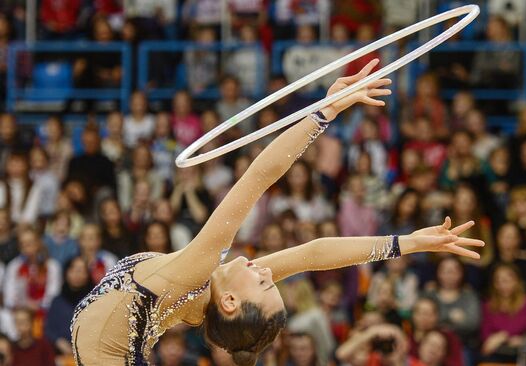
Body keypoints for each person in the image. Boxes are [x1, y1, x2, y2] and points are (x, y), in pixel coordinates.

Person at [71, 60, 485, 366]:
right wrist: (407, 242)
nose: (269, 273)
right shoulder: (207, 293)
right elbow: (313, 254)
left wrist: (325, 112)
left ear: (230, 302)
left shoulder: (197, 272)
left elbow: (258, 177)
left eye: (264, 285)